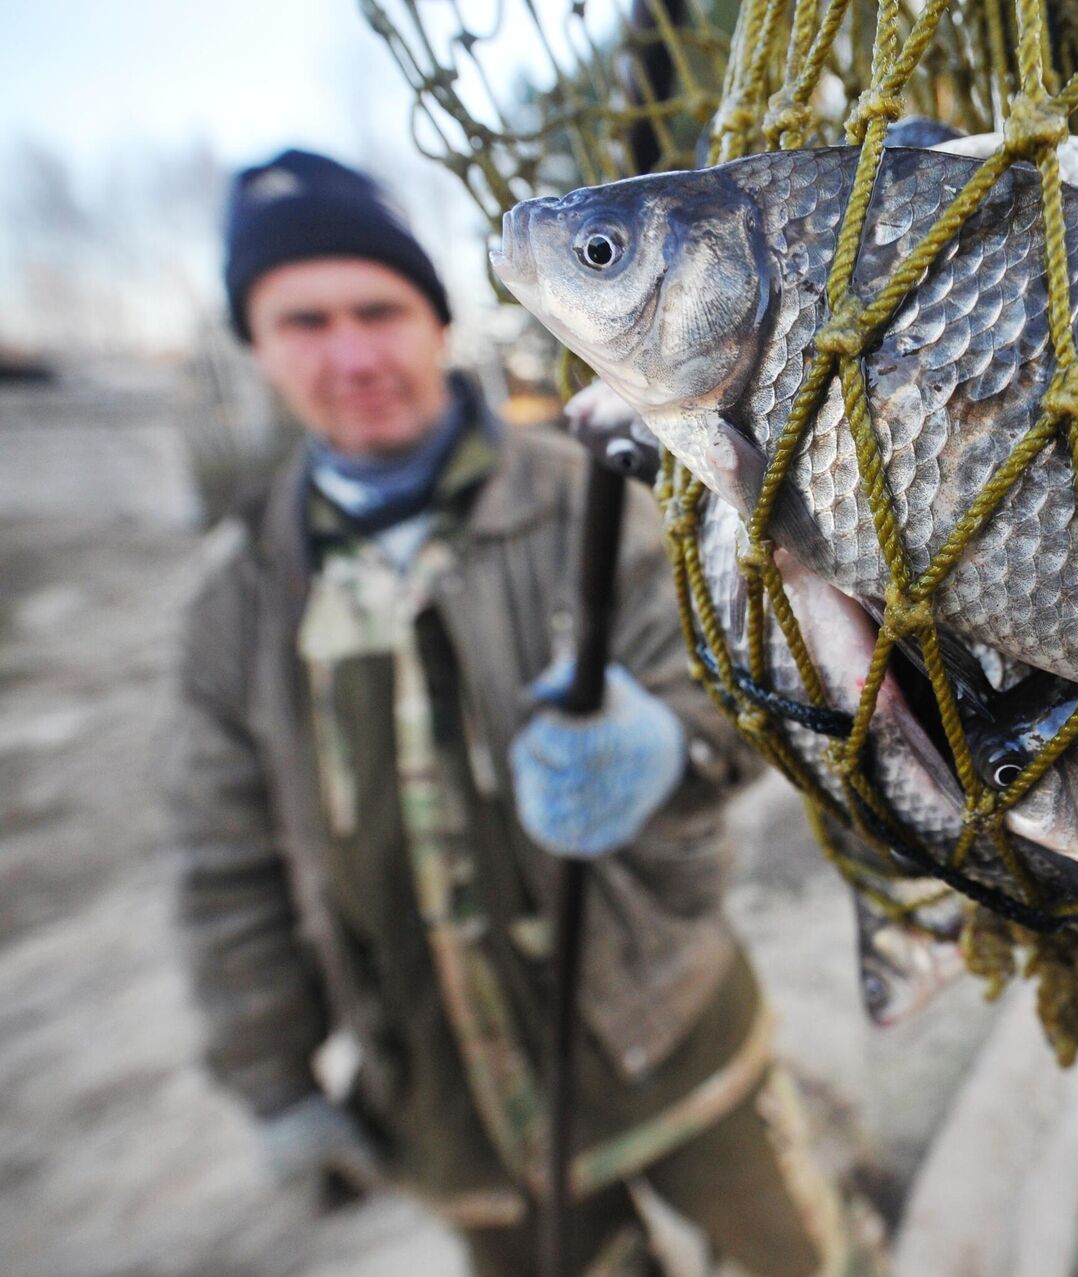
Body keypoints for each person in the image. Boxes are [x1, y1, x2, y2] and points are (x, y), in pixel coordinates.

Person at [168, 148, 855, 1277]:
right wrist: (274, 1080)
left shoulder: (591, 490)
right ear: (257, 344)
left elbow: (746, 693)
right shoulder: (233, 598)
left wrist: (670, 740)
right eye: (304, 321)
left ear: (434, 319)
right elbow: (224, 862)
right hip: (448, 1100)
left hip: (673, 1031)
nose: (352, 353)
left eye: (379, 309)